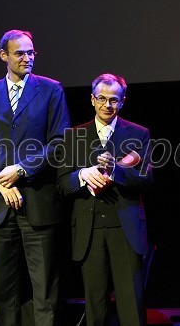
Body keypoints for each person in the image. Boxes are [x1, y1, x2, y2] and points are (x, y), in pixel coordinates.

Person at [0, 29, 71, 325]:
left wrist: (21, 169)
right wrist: (0, 183)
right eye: (20, 53)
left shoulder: (51, 90)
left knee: (45, 293)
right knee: (2, 293)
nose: (27, 58)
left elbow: (59, 142)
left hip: (38, 202)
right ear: (4, 56)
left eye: (31, 52)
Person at [57, 73, 153, 325]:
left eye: (113, 100)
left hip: (126, 229)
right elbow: (62, 185)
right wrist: (82, 175)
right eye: (101, 98)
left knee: (131, 305)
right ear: (92, 99)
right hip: (89, 231)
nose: (107, 105)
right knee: (95, 307)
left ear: (122, 102)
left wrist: (116, 170)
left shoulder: (138, 133)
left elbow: (146, 179)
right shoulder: (74, 135)